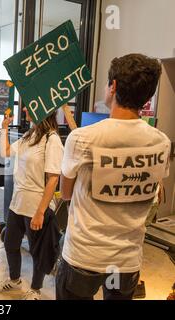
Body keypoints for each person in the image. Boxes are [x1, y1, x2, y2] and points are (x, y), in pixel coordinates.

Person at [57, 54, 171, 300]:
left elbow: (65, 193)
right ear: (148, 96)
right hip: (126, 260)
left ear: (114, 86)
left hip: (83, 255)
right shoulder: (161, 143)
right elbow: (154, 191)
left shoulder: (82, 138)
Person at [0, 109, 64, 300]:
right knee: (10, 243)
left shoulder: (52, 139)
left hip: (36, 205)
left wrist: (41, 212)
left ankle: (36, 289)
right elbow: (5, 153)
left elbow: (53, 179)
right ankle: (14, 280)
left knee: (37, 250)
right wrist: (4, 128)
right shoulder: (29, 134)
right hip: (18, 201)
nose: (24, 109)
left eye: (28, 106)